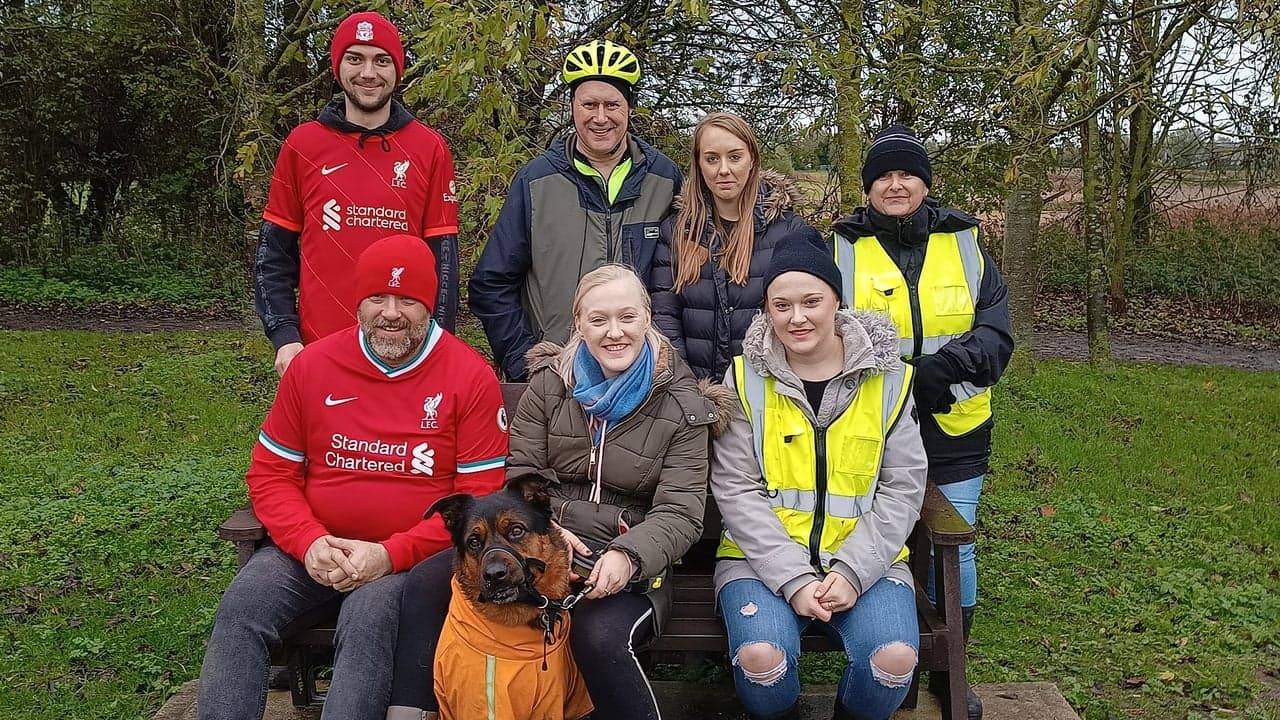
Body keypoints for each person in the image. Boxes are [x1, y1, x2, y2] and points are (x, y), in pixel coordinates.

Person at [388, 264, 734, 720]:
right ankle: (409, 711)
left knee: (596, 634)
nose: (615, 332)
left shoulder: (684, 406)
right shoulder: (550, 386)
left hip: (629, 558)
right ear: (579, 324)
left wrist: (626, 556)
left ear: (647, 318)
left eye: (627, 317)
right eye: (599, 320)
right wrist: (549, 529)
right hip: (539, 545)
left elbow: (681, 513)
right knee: (428, 581)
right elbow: (523, 475)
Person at [198, 235, 508, 720]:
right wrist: (308, 541)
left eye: (407, 299)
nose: (391, 312)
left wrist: (389, 554)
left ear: (429, 305)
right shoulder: (314, 366)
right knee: (242, 610)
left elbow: (477, 500)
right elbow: (271, 473)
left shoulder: (469, 376)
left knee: (368, 623)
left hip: (402, 560)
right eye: (377, 298)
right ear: (357, 302)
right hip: (310, 550)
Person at [831, 125, 1013, 720]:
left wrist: (939, 372)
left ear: (925, 183)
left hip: (955, 423)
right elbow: (824, 333)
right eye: (882, 175)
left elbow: (995, 334)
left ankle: (951, 671)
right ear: (867, 188)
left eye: (906, 172)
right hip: (870, 426)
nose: (895, 183)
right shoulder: (841, 248)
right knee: (885, 541)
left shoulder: (966, 242)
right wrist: (899, 380)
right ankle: (892, 663)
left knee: (954, 552)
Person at [710, 227, 928, 720]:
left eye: (811, 301)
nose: (797, 317)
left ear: (836, 302)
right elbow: (735, 487)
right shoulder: (745, 378)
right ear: (767, 309)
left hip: (867, 563)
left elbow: (902, 486)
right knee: (760, 658)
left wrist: (851, 571)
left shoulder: (891, 380)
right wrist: (794, 579)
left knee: (893, 660)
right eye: (781, 305)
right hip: (759, 563)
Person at [255, 10, 460, 378]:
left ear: (397, 70)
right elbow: (274, 252)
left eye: (381, 60)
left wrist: (438, 340)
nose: (368, 73)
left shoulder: (430, 148)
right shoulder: (303, 144)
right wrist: (285, 336)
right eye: (355, 58)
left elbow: (442, 259)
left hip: (403, 349)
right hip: (317, 348)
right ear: (338, 67)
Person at [468, 39, 682, 382]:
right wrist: (526, 364)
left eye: (612, 104)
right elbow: (491, 283)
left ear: (629, 107)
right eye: (589, 104)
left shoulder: (664, 178)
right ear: (572, 107)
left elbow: (686, 278)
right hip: (558, 375)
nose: (600, 118)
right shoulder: (536, 181)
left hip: (643, 375)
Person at [649, 111, 810, 380]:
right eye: (712, 159)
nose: (724, 169)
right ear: (699, 165)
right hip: (696, 388)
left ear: (752, 160)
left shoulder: (788, 231)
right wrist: (685, 386)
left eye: (734, 157)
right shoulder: (677, 231)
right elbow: (665, 315)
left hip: (768, 389)